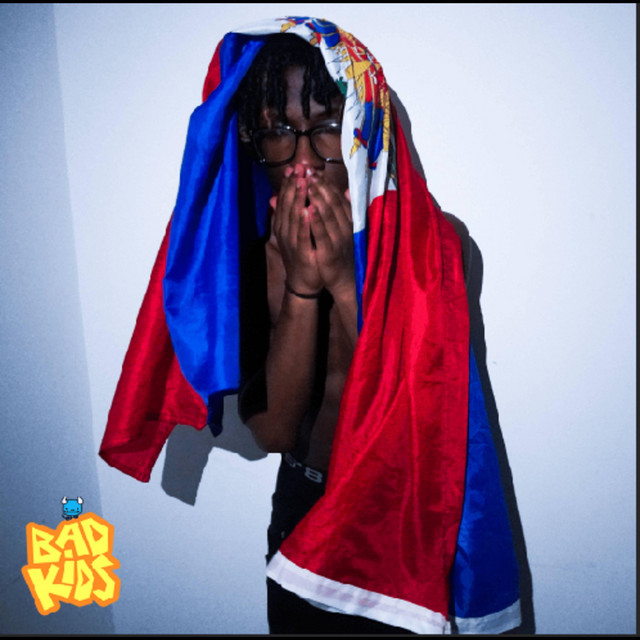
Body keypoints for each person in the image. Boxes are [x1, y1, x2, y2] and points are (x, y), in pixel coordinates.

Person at [100, 17, 521, 635]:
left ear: (363, 129)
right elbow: (273, 431)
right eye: (278, 134)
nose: (301, 162)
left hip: (404, 513)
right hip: (305, 506)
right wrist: (299, 287)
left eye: (325, 129)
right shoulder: (251, 256)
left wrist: (344, 282)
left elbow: (417, 394)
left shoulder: (436, 248)